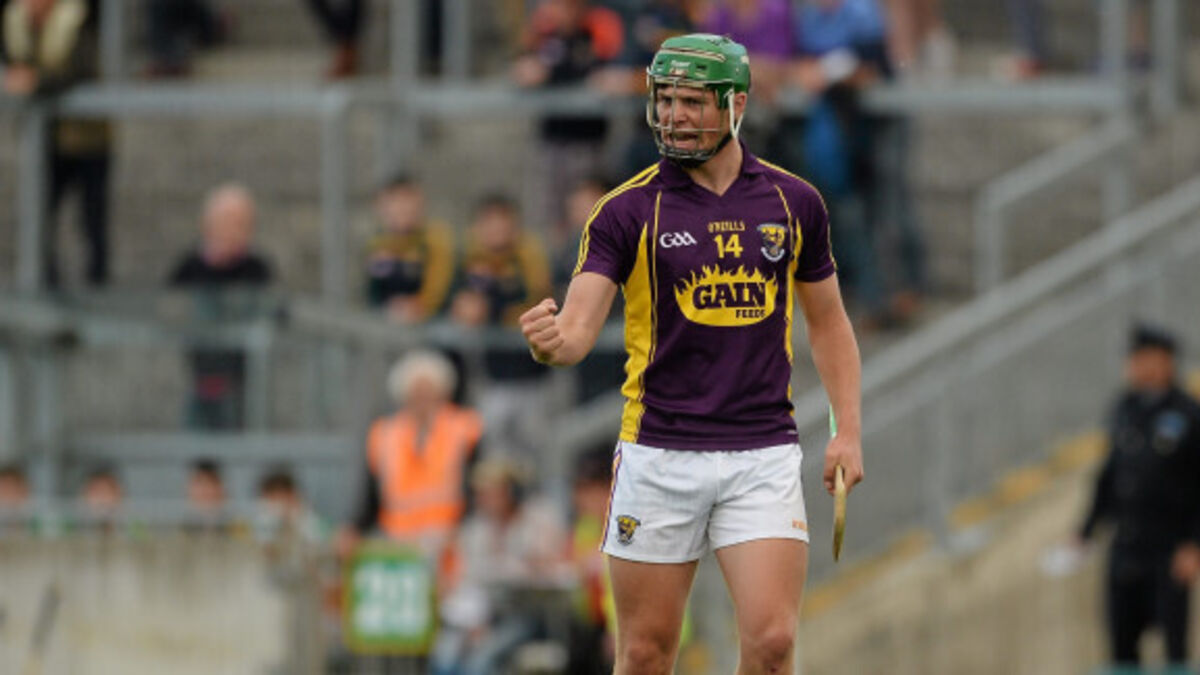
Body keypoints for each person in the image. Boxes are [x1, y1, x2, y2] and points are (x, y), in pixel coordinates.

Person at [519, 34, 864, 674]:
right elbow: (576, 330)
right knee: (645, 654)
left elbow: (830, 325)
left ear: (736, 105)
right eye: (665, 100)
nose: (673, 116)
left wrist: (847, 431)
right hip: (659, 454)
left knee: (773, 643)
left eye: (692, 102)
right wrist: (551, 343)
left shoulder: (794, 203)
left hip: (761, 452)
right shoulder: (625, 211)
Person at [1077, 324, 1200, 670]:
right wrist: (1085, 531)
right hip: (1126, 548)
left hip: (1169, 550)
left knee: (1174, 652)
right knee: (1122, 649)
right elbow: (1109, 476)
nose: (1134, 367)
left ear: (1164, 361)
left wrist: (1194, 543)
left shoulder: (1188, 413)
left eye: (1143, 358)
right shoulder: (1124, 408)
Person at [2, 0, 112, 288]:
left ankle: (97, 283)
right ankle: (47, 280)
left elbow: (80, 71)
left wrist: (38, 82)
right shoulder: (18, 22)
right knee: (40, 213)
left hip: (89, 139)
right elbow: (18, 66)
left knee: (92, 218)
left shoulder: (77, 21)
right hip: (50, 140)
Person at [432, 456, 571, 675]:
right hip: (483, 615)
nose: (485, 499)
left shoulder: (538, 520)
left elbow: (557, 567)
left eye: (493, 492)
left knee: (481, 662)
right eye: (481, 493)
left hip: (527, 614)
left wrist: (531, 564)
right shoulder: (475, 530)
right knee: (445, 656)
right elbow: (466, 583)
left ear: (512, 492)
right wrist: (474, 621)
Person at [343, 349, 483, 562]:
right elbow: (371, 495)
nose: (422, 399)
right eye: (416, 392)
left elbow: (476, 486)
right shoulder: (385, 434)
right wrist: (353, 529)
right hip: (398, 545)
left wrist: (465, 529)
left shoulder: (464, 428)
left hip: (451, 543)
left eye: (428, 391)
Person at [169, 183, 273, 430]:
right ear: (208, 224)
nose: (234, 229)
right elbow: (171, 309)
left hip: (241, 381)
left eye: (242, 223)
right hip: (199, 376)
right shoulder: (189, 268)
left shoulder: (257, 270)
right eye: (228, 221)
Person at [364, 173, 456, 323]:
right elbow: (373, 296)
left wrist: (417, 305)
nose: (402, 209)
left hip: (428, 326)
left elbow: (438, 291)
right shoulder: (378, 245)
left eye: (407, 202)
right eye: (396, 202)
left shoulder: (435, 240)